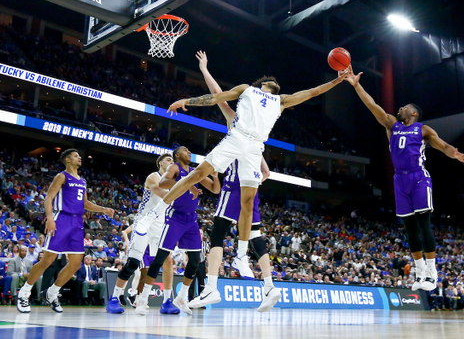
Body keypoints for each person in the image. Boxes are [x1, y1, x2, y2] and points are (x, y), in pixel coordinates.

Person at [147, 62, 349, 280]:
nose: (276, 82)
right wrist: (187, 101)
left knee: (248, 201)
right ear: (263, 83)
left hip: (255, 147)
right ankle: (159, 209)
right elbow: (217, 97)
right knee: (196, 175)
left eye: (277, 82)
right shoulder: (246, 89)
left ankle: (241, 256)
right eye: (272, 80)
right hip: (237, 137)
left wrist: (337, 80)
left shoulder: (281, 100)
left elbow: (312, 92)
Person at [344, 68, 464, 292]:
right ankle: (419, 272)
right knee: (410, 228)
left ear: (414, 114)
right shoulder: (392, 124)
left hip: (419, 178)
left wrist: (454, 153)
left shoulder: (423, 129)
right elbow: (372, 105)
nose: (400, 108)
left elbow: (443, 146)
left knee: (423, 224)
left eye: (405, 107)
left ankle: (432, 271)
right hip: (399, 180)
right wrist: (356, 85)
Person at [187, 51, 281, 312]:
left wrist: (205, 69)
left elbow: (218, 96)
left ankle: (211, 289)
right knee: (256, 237)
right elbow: (267, 173)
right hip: (251, 186)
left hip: (235, 185)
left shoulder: (238, 120)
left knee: (217, 232)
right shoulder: (259, 134)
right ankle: (270, 287)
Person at [16, 149, 114, 313]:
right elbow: (49, 197)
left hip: (77, 221)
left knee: (76, 263)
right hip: (61, 218)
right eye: (76, 156)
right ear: (67, 160)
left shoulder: (82, 181)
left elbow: (85, 203)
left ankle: (52, 293)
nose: (79, 157)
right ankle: (24, 293)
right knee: (48, 259)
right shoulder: (62, 176)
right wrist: (50, 218)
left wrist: (102, 209)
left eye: (79, 155)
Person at [135, 146, 221, 315]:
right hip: (174, 217)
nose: (188, 152)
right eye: (184, 150)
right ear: (176, 155)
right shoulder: (175, 168)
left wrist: (216, 177)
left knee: (196, 260)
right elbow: (163, 183)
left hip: (191, 219)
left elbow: (215, 189)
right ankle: (143, 299)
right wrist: (187, 184)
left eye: (190, 150)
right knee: (160, 258)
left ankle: (181, 297)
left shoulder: (196, 171)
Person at [106, 153, 179, 315]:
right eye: (168, 160)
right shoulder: (153, 176)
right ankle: (114, 298)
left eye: (173, 161)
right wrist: (183, 188)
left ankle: (167, 301)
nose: (171, 162)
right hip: (144, 221)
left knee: (168, 260)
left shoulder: (174, 182)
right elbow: (161, 193)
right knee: (133, 262)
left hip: (160, 224)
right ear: (160, 163)